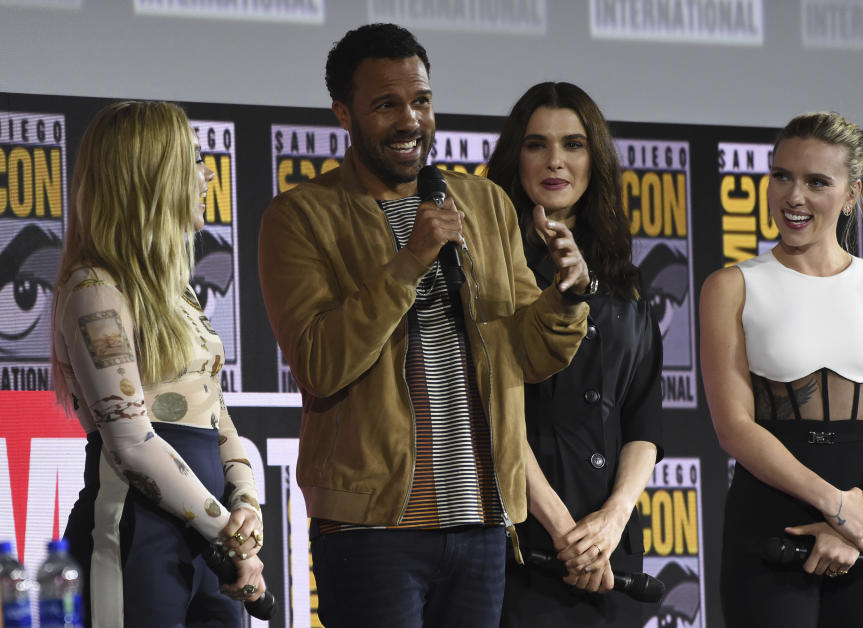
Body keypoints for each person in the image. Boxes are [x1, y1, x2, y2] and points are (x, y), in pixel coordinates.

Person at [257, 23, 591, 628]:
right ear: (344, 113)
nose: (410, 120)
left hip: (482, 523)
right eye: (386, 105)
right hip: (372, 528)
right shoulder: (301, 216)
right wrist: (409, 263)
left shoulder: (484, 204)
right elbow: (319, 363)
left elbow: (529, 354)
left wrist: (567, 298)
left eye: (421, 101)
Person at [699, 111, 863, 627]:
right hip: (770, 521)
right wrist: (835, 506)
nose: (793, 197)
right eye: (782, 175)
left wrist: (857, 519)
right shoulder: (730, 286)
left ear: (851, 195)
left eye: (816, 182)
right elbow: (734, 428)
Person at [51, 101, 266, 627]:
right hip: (135, 531)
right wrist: (228, 531)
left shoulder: (178, 293)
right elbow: (130, 443)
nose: (207, 174)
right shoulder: (94, 289)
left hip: (209, 539)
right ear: (150, 176)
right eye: (193, 159)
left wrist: (248, 511)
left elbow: (216, 413)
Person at [485, 82, 664, 627]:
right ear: (516, 159)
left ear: (596, 160)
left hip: (612, 553)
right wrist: (566, 533)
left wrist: (610, 522)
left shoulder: (625, 280)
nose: (555, 161)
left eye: (573, 144)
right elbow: (491, 416)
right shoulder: (491, 270)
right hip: (526, 545)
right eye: (537, 144)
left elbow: (644, 419)